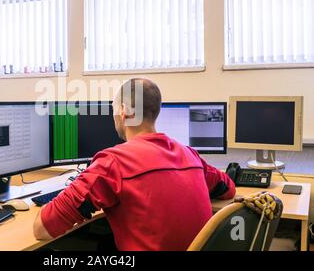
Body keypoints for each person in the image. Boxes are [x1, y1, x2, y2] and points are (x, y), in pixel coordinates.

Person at [33, 78, 236, 250]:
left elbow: (42, 228)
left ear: (124, 111)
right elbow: (228, 189)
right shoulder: (190, 155)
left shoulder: (112, 163)